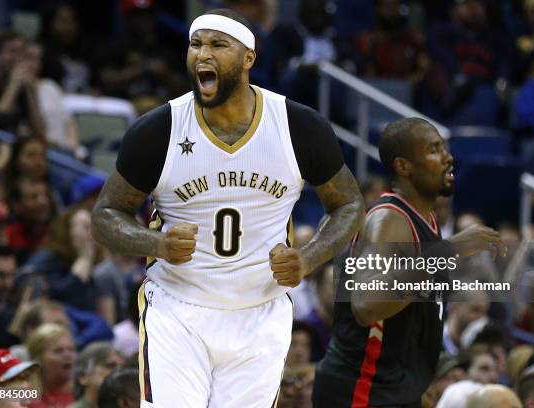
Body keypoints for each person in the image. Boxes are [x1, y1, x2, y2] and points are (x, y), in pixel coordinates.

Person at [91, 8, 364, 408]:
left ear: (248, 57)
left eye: (218, 45)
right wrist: (157, 243)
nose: (203, 54)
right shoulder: (159, 130)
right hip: (178, 308)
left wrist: (308, 258)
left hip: (261, 312)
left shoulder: (296, 126)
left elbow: (349, 203)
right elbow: (105, 214)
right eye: (195, 44)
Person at [312, 117, 506, 407]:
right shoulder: (389, 219)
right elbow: (367, 304)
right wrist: (449, 249)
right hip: (363, 388)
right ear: (403, 166)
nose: (448, 157)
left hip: (394, 387)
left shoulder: (425, 221)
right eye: (434, 150)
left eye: (445, 148)